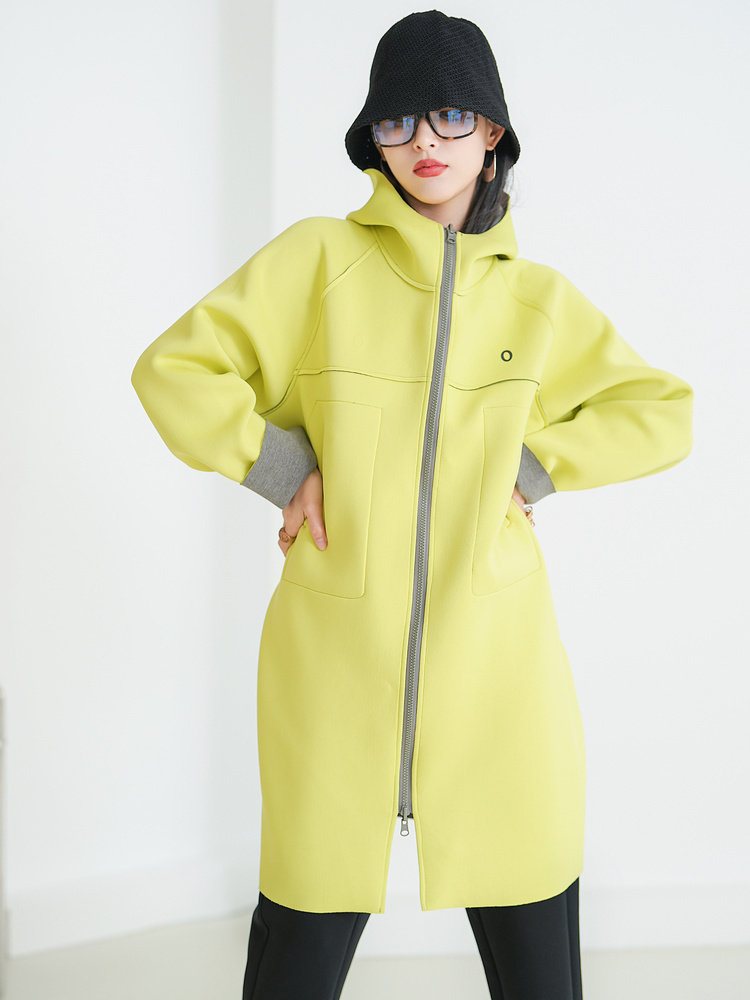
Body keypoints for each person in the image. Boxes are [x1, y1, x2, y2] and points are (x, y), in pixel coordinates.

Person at [131, 10, 693, 999]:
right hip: (332, 669)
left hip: (502, 678)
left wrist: (534, 468)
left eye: (448, 115)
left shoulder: (538, 301)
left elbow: (662, 411)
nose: (424, 142)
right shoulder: (317, 261)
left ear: (492, 132)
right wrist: (284, 467)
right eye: (397, 121)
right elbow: (174, 369)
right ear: (374, 139)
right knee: (295, 960)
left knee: (539, 970)